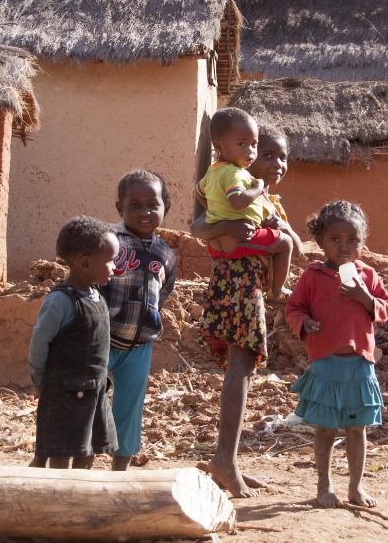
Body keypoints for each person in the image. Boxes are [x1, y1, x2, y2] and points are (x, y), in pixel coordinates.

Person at [192, 123, 303, 498]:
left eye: (281, 156)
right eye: (264, 153)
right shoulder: (232, 182)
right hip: (237, 280)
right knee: (241, 366)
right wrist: (230, 226)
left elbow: (295, 246)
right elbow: (198, 226)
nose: (274, 161)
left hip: (247, 281)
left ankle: (228, 458)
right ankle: (224, 460)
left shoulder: (266, 202)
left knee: (243, 366)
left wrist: (270, 225)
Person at [284, 200, 388, 509]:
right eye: (335, 239)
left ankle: (356, 487)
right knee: (326, 429)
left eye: (352, 240)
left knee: (357, 429)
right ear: (320, 241)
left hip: (359, 365)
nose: (344, 246)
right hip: (326, 365)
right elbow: (295, 308)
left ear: (362, 241)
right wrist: (305, 323)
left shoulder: (367, 275)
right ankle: (324, 486)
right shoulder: (313, 277)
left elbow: (384, 309)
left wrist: (365, 298)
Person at [27, 216, 120, 469]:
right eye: (110, 262)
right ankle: (57, 500)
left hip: (95, 390)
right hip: (66, 393)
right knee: (62, 451)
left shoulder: (96, 296)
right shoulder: (60, 302)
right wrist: (39, 380)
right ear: (86, 263)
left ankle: (78, 499)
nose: (114, 268)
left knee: (88, 450)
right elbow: (39, 343)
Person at [103, 170, 178, 471]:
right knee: (87, 400)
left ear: (165, 208)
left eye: (152, 204)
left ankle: (118, 473)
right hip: (102, 339)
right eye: (134, 205)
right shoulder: (110, 242)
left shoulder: (166, 254)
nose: (144, 212)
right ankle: (74, 469)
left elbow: (163, 294)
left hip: (139, 346)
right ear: (119, 208)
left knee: (129, 409)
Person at [195, 107, 294, 302]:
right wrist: (228, 223)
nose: (250, 152)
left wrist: (215, 210)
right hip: (244, 270)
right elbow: (199, 226)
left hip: (226, 259)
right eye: (242, 144)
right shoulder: (235, 174)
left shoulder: (213, 173)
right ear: (220, 147)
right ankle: (277, 291)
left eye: (254, 145)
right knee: (285, 243)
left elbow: (198, 191)